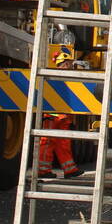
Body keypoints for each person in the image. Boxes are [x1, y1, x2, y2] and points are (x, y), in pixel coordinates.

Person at [38, 49, 84, 179]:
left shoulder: (69, 78)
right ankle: (43, 170)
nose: (70, 66)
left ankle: (69, 170)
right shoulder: (52, 77)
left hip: (63, 116)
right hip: (52, 116)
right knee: (47, 142)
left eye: (70, 64)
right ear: (62, 64)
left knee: (63, 143)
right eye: (68, 64)